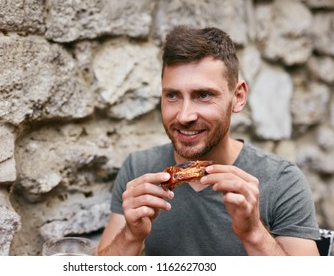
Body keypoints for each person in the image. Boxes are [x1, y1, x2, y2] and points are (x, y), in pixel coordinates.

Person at [96, 25, 320, 256]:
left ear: (238, 97)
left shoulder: (282, 181)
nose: (184, 116)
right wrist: (131, 236)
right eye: (172, 95)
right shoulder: (139, 169)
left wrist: (254, 233)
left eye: (203, 95)